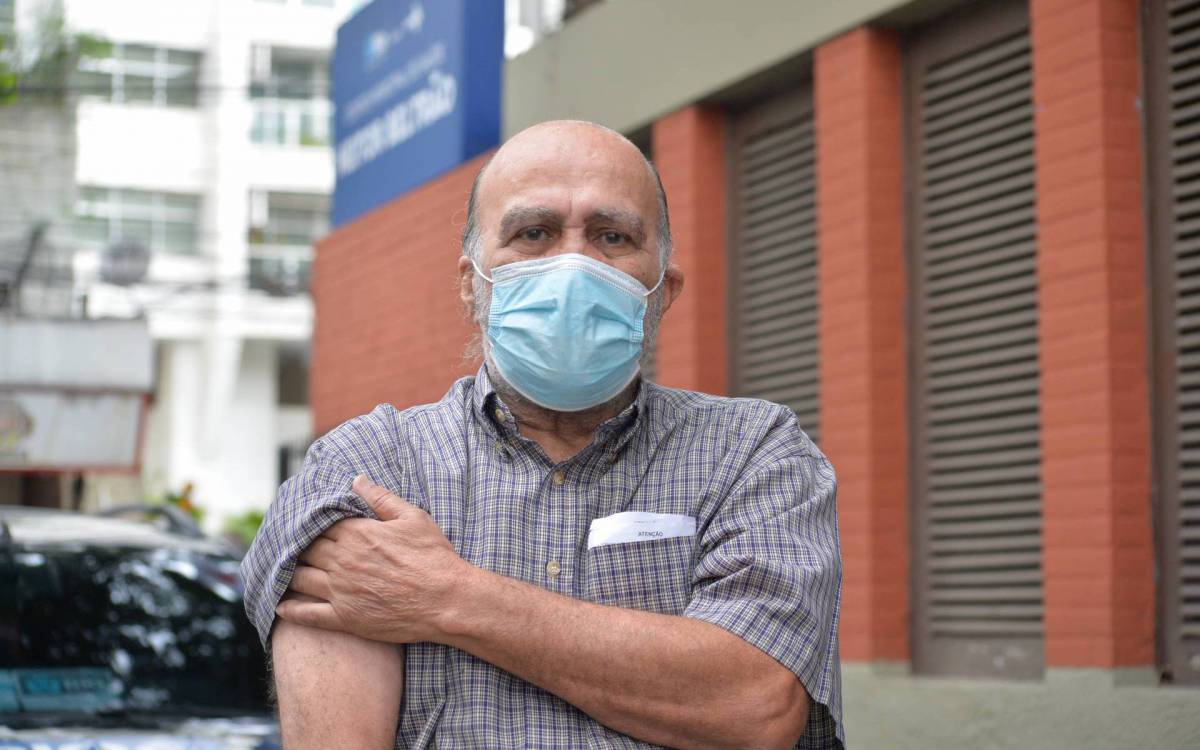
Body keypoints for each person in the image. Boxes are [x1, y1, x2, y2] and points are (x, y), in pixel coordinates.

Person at [240, 120, 844, 749]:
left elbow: (755, 707)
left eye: (613, 237)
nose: (574, 266)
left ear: (662, 293)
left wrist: (449, 597)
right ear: (471, 285)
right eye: (534, 233)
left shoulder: (753, 453)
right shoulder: (368, 466)